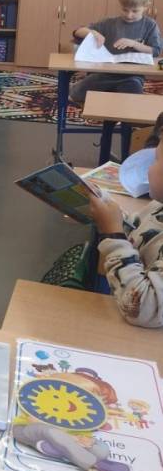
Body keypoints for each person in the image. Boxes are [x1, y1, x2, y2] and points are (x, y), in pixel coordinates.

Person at [89, 113, 163, 327]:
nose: (149, 168)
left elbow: (144, 308)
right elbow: (136, 231)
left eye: (156, 160)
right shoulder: (157, 207)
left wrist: (113, 234)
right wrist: (111, 219)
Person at [69, 0, 162, 105]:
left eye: (135, 11)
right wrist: (93, 33)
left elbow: (155, 51)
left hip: (132, 76)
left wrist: (134, 44)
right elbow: (77, 32)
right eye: (125, 10)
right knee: (75, 94)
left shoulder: (150, 25)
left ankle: (117, 109)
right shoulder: (110, 23)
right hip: (105, 73)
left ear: (146, 6)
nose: (129, 15)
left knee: (132, 101)